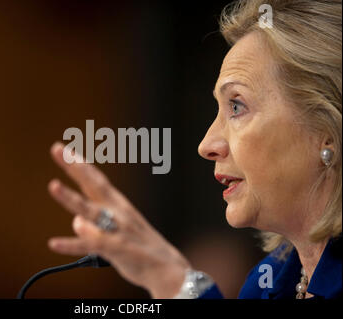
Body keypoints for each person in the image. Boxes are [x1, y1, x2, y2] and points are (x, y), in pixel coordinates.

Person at [46, 0, 342, 299]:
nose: (206, 145)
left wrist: (172, 278)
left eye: (237, 106)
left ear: (327, 130)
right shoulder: (269, 283)